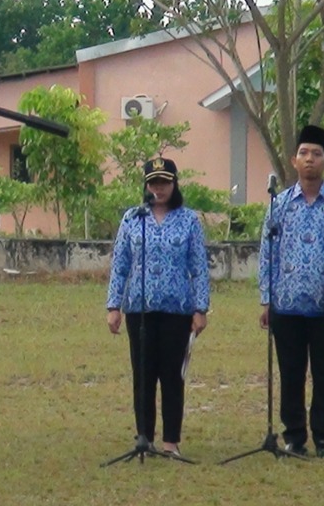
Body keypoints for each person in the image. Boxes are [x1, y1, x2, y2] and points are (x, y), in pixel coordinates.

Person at [258, 125, 324, 459]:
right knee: (290, 373)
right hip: (286, 304)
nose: (310, 159)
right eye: (304, 153)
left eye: (316, 153)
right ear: (293, 160)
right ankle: (294, 436)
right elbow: (267, 253)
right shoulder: (280, 204)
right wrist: (266, 298)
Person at [105, 157, 210, 457]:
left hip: (177, 310)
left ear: (174, 184)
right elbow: (120, 264)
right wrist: (114, 306)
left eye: (164, 182)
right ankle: (144, 438)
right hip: (140, 310)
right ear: (146, 185)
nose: (158, 189)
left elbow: (199, 266)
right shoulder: (133, 218)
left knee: (172, 376)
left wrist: (200, 308)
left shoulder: (188, 220)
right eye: (153, 183)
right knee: (143, 375)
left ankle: (171, 442)